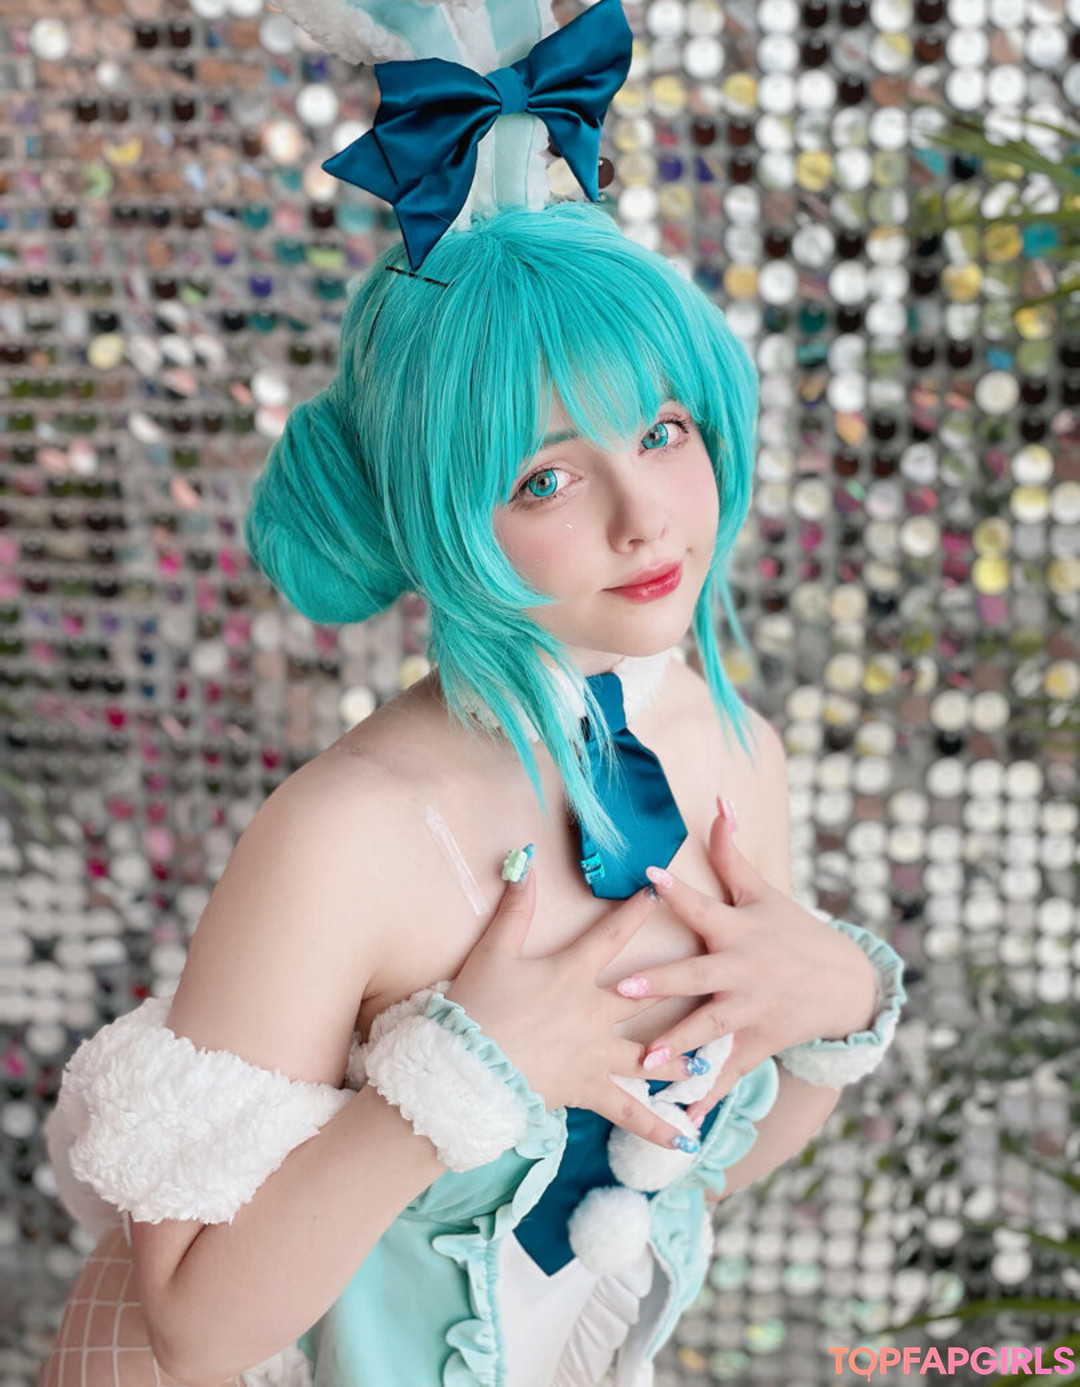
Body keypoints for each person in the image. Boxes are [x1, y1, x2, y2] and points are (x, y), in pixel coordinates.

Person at [39, 6, 907, 1385]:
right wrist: (461, 1074)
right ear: (438, 513)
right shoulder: (350, 833)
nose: (645, 518)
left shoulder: (734, 751)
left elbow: (693, 1172)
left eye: (663, 430)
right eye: (545, 476)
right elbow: (194, 1330)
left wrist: (840, 1000)